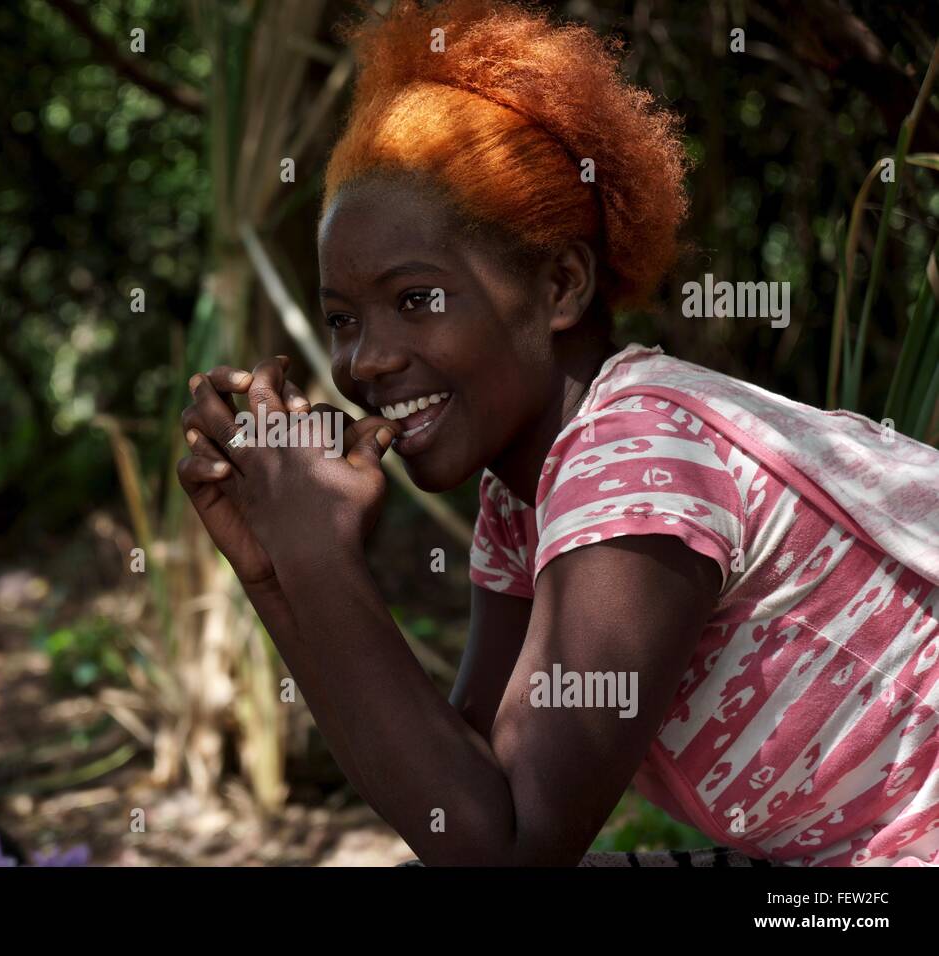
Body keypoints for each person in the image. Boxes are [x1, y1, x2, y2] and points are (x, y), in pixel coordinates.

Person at [176, 0, 939, 866]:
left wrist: (318, 561)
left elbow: (507, 852)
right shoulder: (524, 497)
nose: (366, 362)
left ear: (561, 287)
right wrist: (279, 572)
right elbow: (454, 797)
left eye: (417, 299)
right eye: (344, 319)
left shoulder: (639, 456)